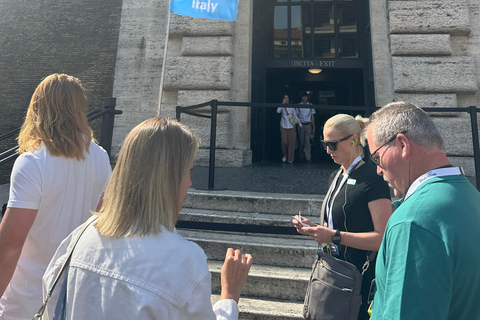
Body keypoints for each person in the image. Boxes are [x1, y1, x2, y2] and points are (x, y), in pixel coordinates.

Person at [42, 117, 253, 319]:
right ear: (168, 179)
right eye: (188, 171)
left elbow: (51, 299)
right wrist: (230, 295)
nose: (189, 183)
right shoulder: (183, 261)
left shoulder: (82, 234)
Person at [0, 73, 112, 319]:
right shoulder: (101, 157)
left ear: (37, 107)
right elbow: (102, 225)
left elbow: (10, 245)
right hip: (73, 296)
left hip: (27, 298)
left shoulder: (32, 163)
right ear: (79, 107)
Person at [365, 102, 480, 320]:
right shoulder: (471, 196)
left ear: (402, 145)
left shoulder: (413, 221)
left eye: (377, 158)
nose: (378, 170)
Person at [293, 114, 392, 320]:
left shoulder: (373, 177)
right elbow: (338, 224)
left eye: (333, 144)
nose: (328, 151)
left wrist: (334, 236)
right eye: (324, 144)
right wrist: (315, 228)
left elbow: (383, 238)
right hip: (335, 274)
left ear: (354, 140)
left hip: (360, 280)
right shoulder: (337, 175)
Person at [277, 94, 302, 163]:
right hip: (283, 125)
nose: (286, 99)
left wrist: (299, 123)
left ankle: (290, 158)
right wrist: (282, 104)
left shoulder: (291, 107)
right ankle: (284, 154)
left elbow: (295, 116)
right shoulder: (282, 107)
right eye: (285, 98)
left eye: (287, 98)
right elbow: (278, 111)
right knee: (284, 142)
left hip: (291, 126)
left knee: (291, 143)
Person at [296, 92, 316, 163]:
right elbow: (297, 116)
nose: (304, 98)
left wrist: (313, 126)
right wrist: (299, 124)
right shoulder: (299, 105)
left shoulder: (310, 105)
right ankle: (301, 156)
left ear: (308, 97)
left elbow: (312, 116)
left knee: (307, 141)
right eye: (303, 97)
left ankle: (308, 157)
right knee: (301, 141)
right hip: (301, 124)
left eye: (306, 97)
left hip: (308, 125)